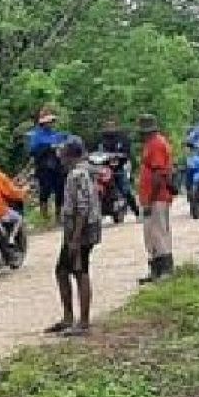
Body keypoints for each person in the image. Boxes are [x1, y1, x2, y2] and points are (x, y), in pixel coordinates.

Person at [44, 137, 100, 337]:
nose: (60, 158)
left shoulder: (77, 174)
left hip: (80, 230)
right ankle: (70, 318)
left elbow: (82, 208)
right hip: (80, 229)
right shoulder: (84, 171)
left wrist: (75, 238)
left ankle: (82, 322)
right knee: (65, 270)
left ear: (70, 155)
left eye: (63, 154)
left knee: (79, 270)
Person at [139, 114, 176, 283]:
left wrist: (150, 199)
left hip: (157, 196)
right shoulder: (151, 143)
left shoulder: (157, 144)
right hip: (150, 197)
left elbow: (158, 174)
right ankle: (155, 269)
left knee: (159, 232)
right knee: (150, 234)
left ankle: (165, 270)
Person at [26, 108, 69, 221]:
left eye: (52, 122)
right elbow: (33, 150)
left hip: (57, 165)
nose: (51, 124)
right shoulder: (36, 135)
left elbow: (65, 142)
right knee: (45, 190)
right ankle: (44, 216)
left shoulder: (56, 134)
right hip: (44, 167)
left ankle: (58, 215)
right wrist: (49, 147)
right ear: (43, 123)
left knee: (60, 189)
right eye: (49, 122)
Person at [98, 117, 141, 218]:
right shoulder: (102, 139)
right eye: (108, 125)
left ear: (116, 126)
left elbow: (127, 151)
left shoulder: (122, 138)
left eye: (112, 125)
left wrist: (121, 156)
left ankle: (137, 212)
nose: (110, 127)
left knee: (125, 188)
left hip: (119, 166)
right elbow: (97, 150)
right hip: (104, 168)